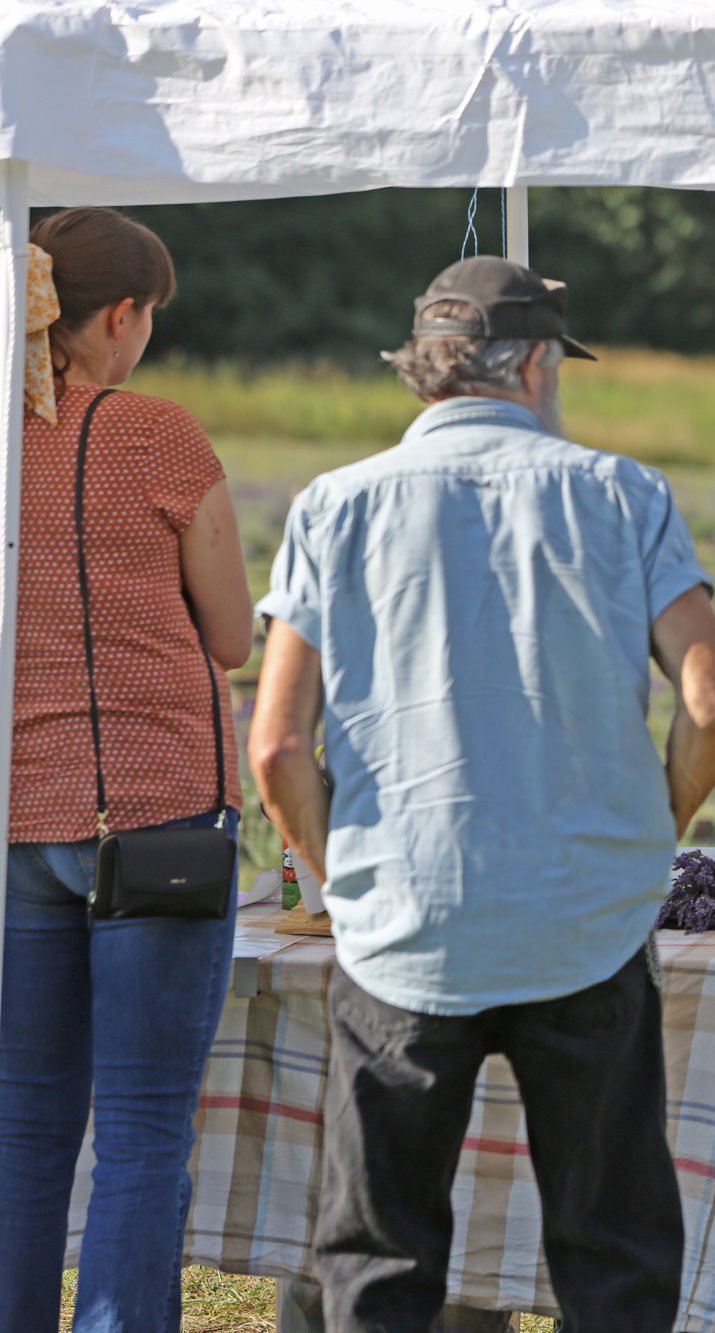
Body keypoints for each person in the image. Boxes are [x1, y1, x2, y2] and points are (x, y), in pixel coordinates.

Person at [249, 256, 715, 1333]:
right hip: (585, 914)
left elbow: (278, 743)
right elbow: (712, 703)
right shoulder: (622, 493)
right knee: (610, 1245)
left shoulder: (331, 505)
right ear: (529, 363)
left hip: (405, 923)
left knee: (379, 1253)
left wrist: (342, 882)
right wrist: (657, 827)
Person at [0, 208, 255, 1332]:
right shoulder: (156, 437)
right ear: (122, 315)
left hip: (19, 812)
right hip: (157, 814)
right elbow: (236, 634)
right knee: (145, 1126)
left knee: (23, 1123)